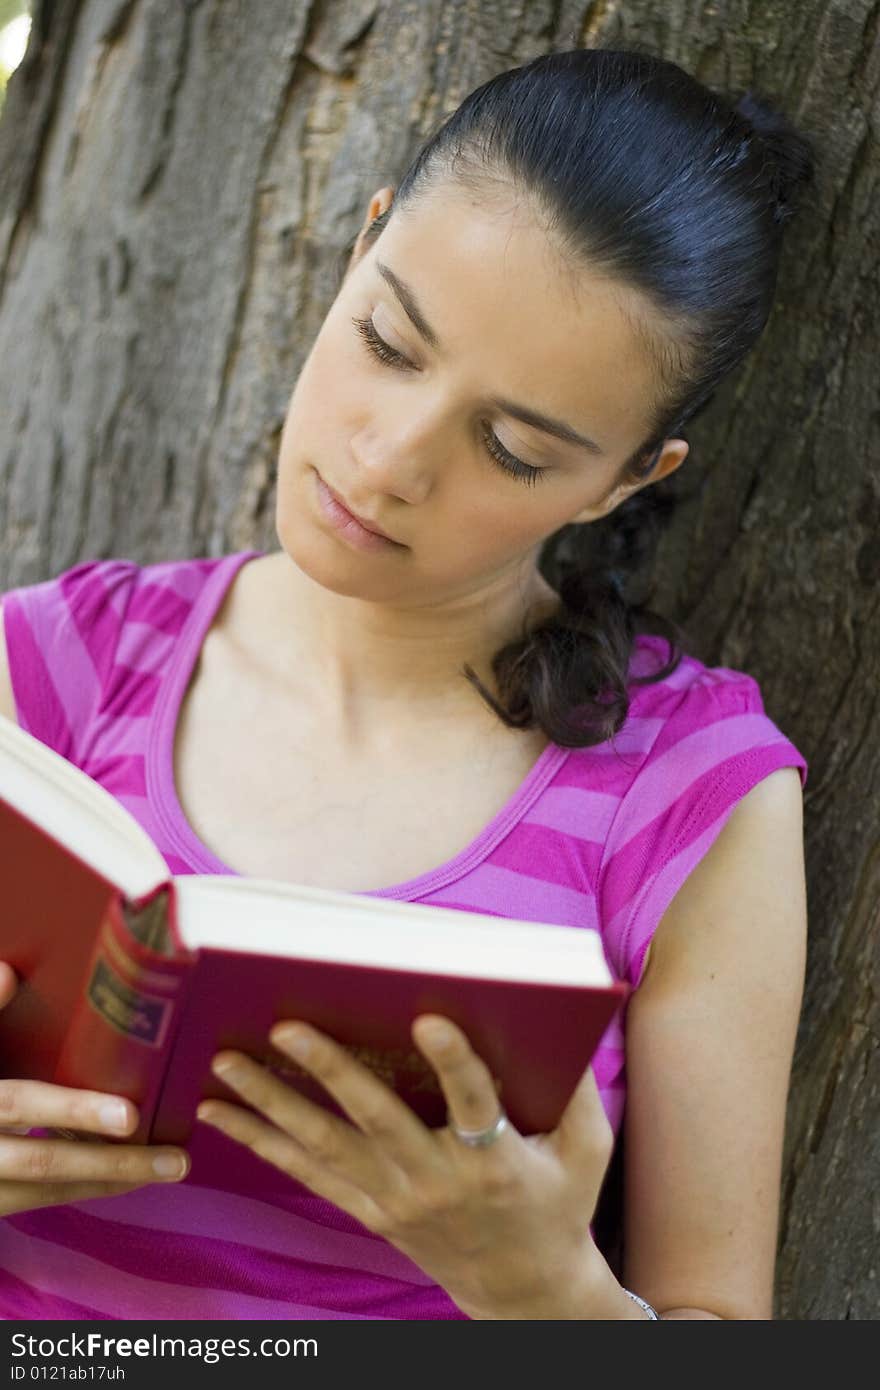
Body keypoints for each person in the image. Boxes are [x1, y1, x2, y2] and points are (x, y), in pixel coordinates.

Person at [0, 47, 814, 1320]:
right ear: (361, 240)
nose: (388, 461)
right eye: (387, 340)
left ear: (625, 480)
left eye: (510, 447)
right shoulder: (55, 667)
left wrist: (543, 1287)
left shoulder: (695, 791)